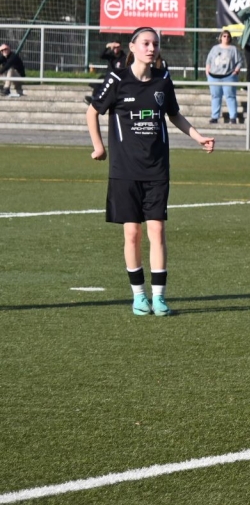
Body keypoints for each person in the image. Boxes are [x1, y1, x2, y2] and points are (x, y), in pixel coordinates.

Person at [85, 26, 215, 315]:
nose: (151, 48)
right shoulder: (117, 79)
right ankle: (138, 296)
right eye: (145, 43)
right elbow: (93, 111)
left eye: (155, 44)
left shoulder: (163, 80)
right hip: (124, 169)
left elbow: (174, 114)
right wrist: (99, 146)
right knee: (132, 233)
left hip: (156, 169)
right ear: (132, 47)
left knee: (157, 229)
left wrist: (197, 137)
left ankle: (159, 297)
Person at [204, 31, 241, 125]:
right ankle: (215, 117)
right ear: (221, 37)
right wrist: (207, 71)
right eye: (224, 36)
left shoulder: (233, 49)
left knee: (230, 96)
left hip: (228, 76)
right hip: (214, 76)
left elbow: (239, 61)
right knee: (216, 96)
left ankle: (233, 117)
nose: (226, 38)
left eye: (228, 36)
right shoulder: (214, 48)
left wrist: (236, 71)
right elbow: (209, 60)